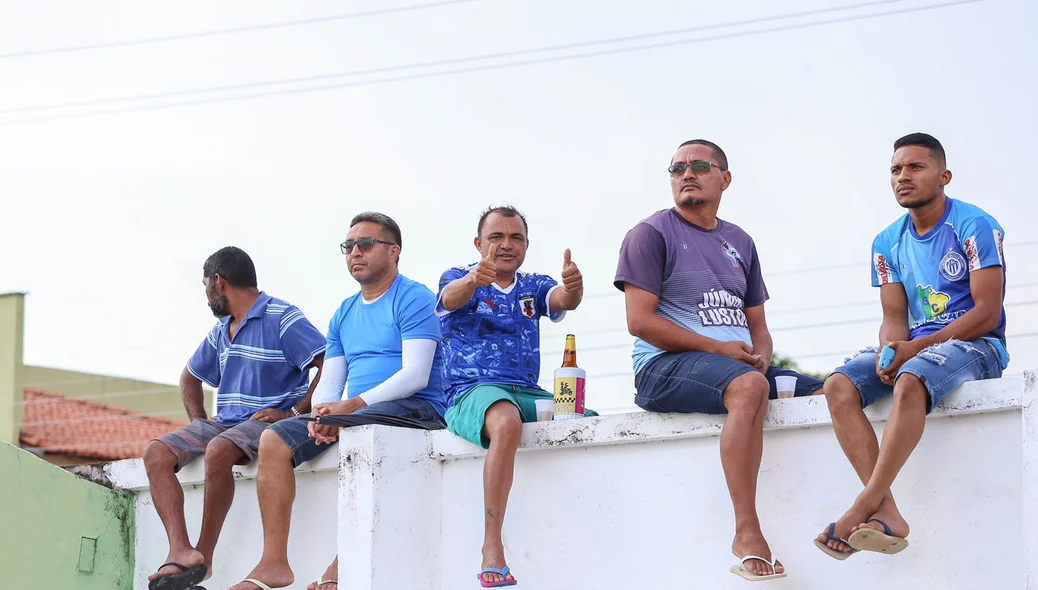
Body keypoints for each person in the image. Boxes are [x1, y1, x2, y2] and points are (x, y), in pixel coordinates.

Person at [614, 139, 824, 582]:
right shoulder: (650, 234)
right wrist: (721, 351)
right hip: (663, 367)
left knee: (835, 389)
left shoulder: (740, 241)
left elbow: (757, 325)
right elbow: (640, 322)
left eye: (699, 166)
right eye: (677, 168)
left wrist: (761, 356)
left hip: (735, 365)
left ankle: (865, 514)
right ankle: (747, 531)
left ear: (724, 179)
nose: (686, 174)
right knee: (750, 387)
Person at [228, 212, 448, 590]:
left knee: (358, 431)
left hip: (418, 409)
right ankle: (273, 565)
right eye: (348, 246)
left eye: (365, 244)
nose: (355, 253)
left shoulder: (415, 297)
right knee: (273, 439)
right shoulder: (344, 312)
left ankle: (339, 568)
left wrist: (349, 408)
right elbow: (331, 379)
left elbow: (416, 375)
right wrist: (323, 413)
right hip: (359, 412)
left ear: (394, 251)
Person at [814, 133, 1008, 559]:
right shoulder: (886, 242)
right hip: (919, 349)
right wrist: (890, 350)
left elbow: (987, 313)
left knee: (909, 380)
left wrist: (913, 350)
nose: (903, 176)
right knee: (838, 386)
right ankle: (888, 512)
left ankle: (864, 503)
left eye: (915, 167)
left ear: (944, 175)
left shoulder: (974, 224)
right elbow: (894, 318)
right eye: (896, 169)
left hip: (976, 345)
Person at [143, 246, 326, 590]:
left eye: (205, 287)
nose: (207, 296)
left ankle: (204, 558)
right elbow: (189, 378)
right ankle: (181, 550)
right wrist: (200, 423)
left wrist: (293, 411)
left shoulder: (281, 316)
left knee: (218, 450)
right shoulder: (221, 329)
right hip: (225, 420)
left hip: (266, 422)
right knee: (155, 452)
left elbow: (326, 362)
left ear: (218, 282)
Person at [436, 205, 584, 587]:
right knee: (505, 422)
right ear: (478, 243)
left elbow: (562, 300)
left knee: (584, 418)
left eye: (515, 237)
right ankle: (492, 546)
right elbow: (450, 298)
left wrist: (573, 288)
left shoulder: (534, 284)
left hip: (527, 392)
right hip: (473, 391)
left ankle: (573, 538)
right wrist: (473, 280)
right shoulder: (457, 276)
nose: (506, 245)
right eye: (496, 237)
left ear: (526, 245)